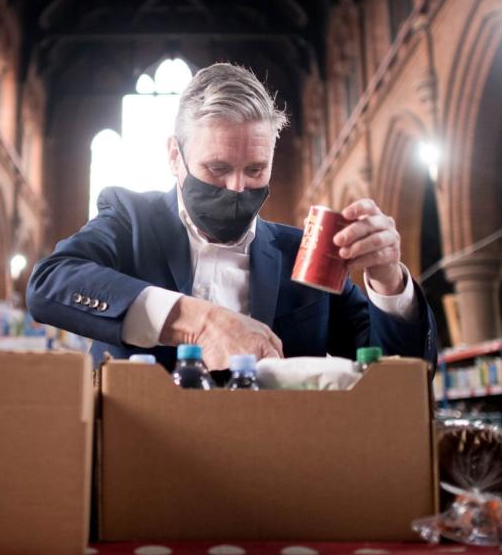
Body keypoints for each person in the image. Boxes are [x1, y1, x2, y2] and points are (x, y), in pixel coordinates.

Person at [27, 63, 436, 370]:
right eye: (217, 169)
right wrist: (200, 322)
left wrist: (388, 282)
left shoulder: (303, 255)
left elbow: (399, 375)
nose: (238, 188)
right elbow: (49, 284)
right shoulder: (130, 220)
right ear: (175, 156)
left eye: (255, 170)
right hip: (139, 462)